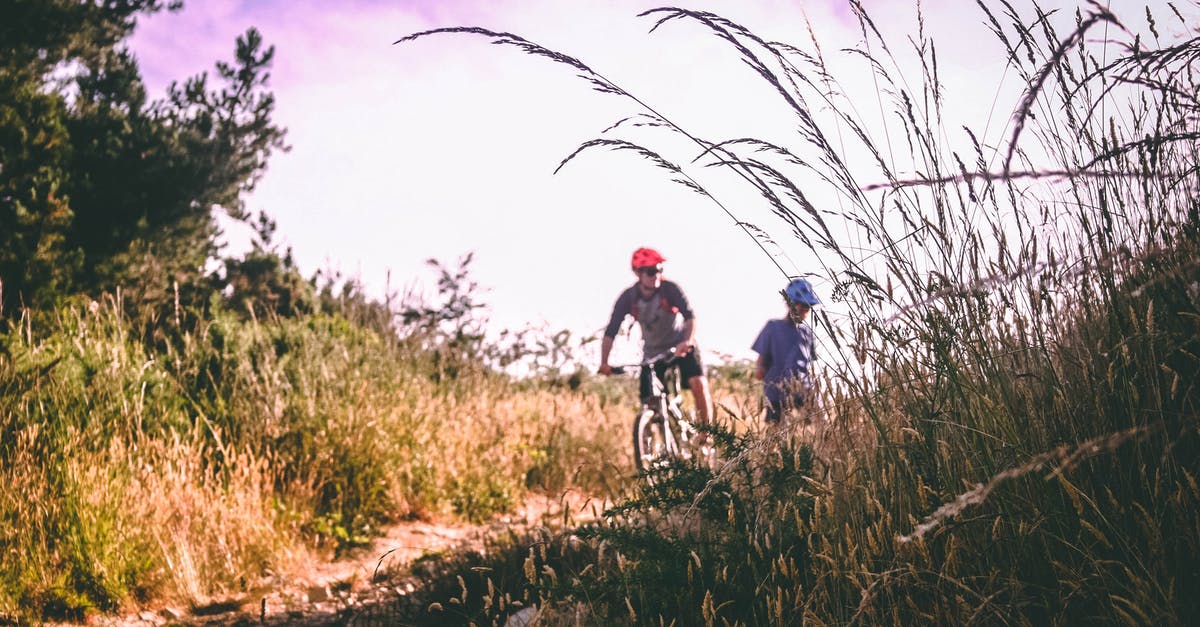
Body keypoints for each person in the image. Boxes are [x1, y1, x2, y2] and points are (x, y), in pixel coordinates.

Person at [599, 247, 712, 427]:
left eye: (660, 270)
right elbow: (610, 332)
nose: (656, 275)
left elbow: (690, 317)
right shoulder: (628, 298)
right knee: (649, 401)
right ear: (638, 273)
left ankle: (707, 433)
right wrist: (604, 362)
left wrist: (687, 341)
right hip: (652, 353)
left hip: (679, 346)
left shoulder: (670, 289)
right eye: (651, 271)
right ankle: (648, 445)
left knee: (698, 383)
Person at [752, 278, 820, 424]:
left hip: (803, 389)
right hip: (776, 391)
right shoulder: (772, 327)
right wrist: (760, 370)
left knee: (818, 424)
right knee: (776, 429)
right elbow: (761, 361)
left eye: (808, 308)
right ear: (790, 304)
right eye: (801, 306)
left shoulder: (807, 333)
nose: (804, 311)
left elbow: (810, 364)